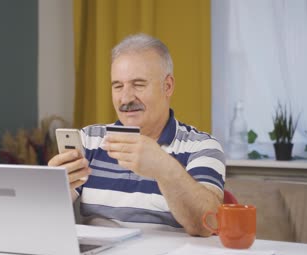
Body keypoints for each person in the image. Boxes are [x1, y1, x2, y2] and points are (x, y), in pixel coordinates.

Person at [48, 33, 225, 236]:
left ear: (167, 86)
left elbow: (207, 224)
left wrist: (162, 167)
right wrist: (52, 188)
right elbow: (46, 218)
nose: (126, 97)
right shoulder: (89, 140)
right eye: (118, 86)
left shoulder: (203, 147)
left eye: (138, 84)